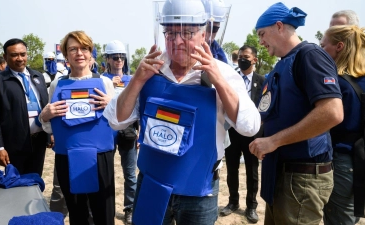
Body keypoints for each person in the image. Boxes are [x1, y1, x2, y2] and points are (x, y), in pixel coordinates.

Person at [103, 0, 260, 224]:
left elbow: (249, 127)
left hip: (199, 193)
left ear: (203, 34)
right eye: (170, 33)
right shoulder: (150, 70)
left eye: (186, 32)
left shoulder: (222, 72)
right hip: (152, 185)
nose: (177, 41)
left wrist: (219, 81)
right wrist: (137, 79)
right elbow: (116, 120)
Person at [249, 2, 344, 224]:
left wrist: (273, 140)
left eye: (262, 34)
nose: (260, 41)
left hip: (302, 177)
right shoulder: (281, 66)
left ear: (280, 26)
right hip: (281, 175)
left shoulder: (310, 55)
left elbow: (332, 113)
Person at [39, 30, 116, 225]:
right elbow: (49, 125)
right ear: (66, 55)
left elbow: (118, 121)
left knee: (104, 211)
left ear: (91, 53)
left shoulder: (105, 82)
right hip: (68, 156)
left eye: (84, 48)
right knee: (76, 211)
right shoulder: (57, 84)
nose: (79, 53)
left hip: (100, 157)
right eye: (73, 49)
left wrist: (112, 104)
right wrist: (45, 115)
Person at [320, 25, 365, 225]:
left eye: (323, 45)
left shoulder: (335, 83)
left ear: (339, 47)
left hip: (343, 164)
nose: (320, 50)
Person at [0, 38, 49, 176]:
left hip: (39, 141)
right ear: (5, 57)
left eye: (23, 54)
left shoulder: (38, 77)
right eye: (14, 55)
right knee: (16, 184)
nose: (19, 58)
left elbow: (46, 106)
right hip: (14, 144)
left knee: (35, 179)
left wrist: (51, 133)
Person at [220, 45, 264, 223]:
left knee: (252, 171)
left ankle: (251, 206)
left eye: (246, 56)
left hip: (253, 135)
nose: (242, 59)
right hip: (233, 131)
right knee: (232, 169)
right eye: (240, 56)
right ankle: (232, 202)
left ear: (254, 59)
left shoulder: (262, 81)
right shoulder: (232, 79)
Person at [103, 40, 138, 224]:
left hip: (129, 132)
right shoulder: (101, 80)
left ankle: (129, 208)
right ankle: (105, 208)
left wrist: (139, 131)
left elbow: (138, 107)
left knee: (130, 174)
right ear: (107, 59)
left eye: (122, 57)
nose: (119, 61)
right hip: (107, 132)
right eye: (115, 57)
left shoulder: (132, 80)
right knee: (106, 173)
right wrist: (109, 84)